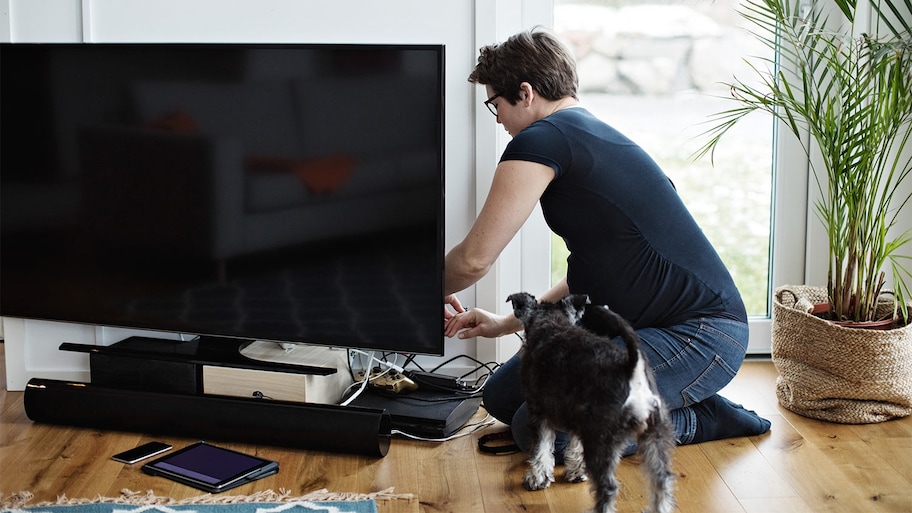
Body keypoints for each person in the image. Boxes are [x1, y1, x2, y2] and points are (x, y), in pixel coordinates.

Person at [443, 27, 771, 457]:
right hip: (639, 329)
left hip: (700, 334)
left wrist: (416, 289)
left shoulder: (543, 139)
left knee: (542, 432)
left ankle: (696, 417)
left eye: (496, 104)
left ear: (525, 93)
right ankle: (657, 396)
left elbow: (473, 260)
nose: (498, 118)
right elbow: (595, 269)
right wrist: (507, 323)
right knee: (502, 397)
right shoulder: (582, 134)